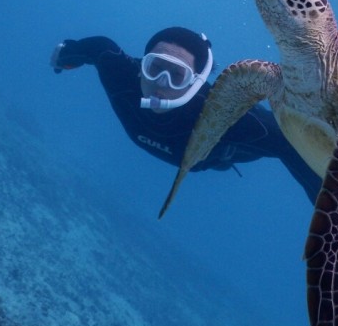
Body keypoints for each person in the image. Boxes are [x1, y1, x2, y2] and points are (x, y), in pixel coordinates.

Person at [50, 26, 321, 200]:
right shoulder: (120, 73)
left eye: (177, 76)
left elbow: (291, 146)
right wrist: (64, 56)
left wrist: (331, 212)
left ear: (195, 83)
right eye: (155, 68)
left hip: (222, 153)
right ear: (141, 66)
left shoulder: (229, 116)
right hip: (189, 153)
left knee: (282, 132)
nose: (161, 83)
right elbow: (97, 47)